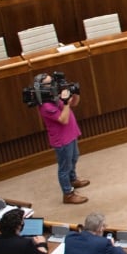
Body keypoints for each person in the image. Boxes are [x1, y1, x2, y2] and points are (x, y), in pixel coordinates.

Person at [37, 73, 89, 203]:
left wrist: (75, 93)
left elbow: (74, 104)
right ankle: (68, 194)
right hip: (62, 139)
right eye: (49, 83)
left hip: (70, 133)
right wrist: (65, 102)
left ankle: (73, 180)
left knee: (74, 157)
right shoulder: (46, 106)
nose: (53, 85)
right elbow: (63, 119)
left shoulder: (54, 97)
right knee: (64, 167)